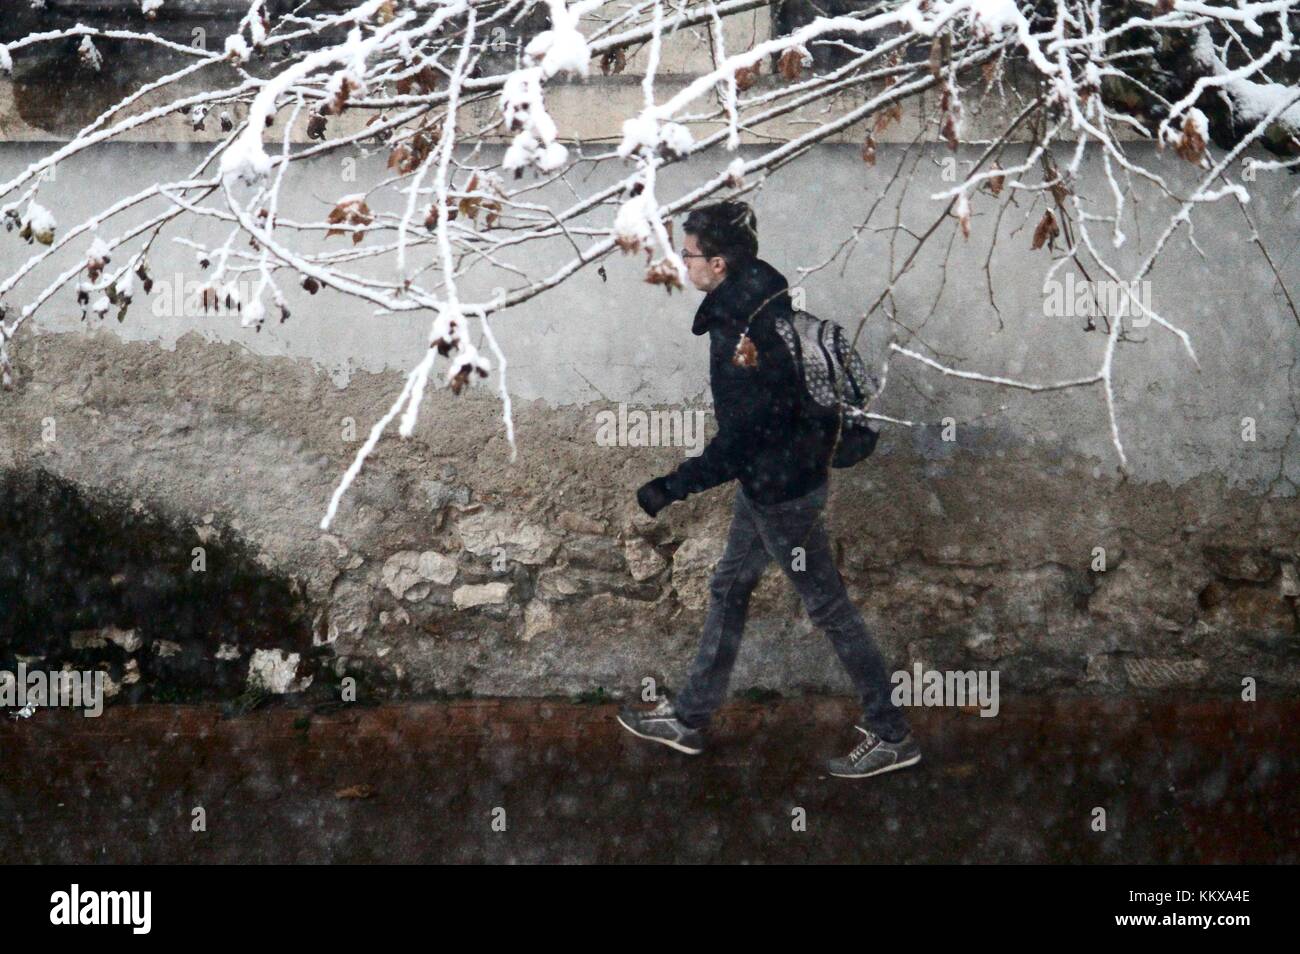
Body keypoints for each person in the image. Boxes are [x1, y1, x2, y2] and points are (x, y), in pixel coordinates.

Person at [616, 201, 921, 780]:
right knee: (729, 586)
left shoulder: (742, 330)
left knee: (829, 608)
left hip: (781, 492)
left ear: (720, 264)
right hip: (778, 482)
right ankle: (689, 718)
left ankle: (892, 733)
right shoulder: (764, 301)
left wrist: (671, 487)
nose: (683, 265)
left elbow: (740, 439)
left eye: (689, 256)